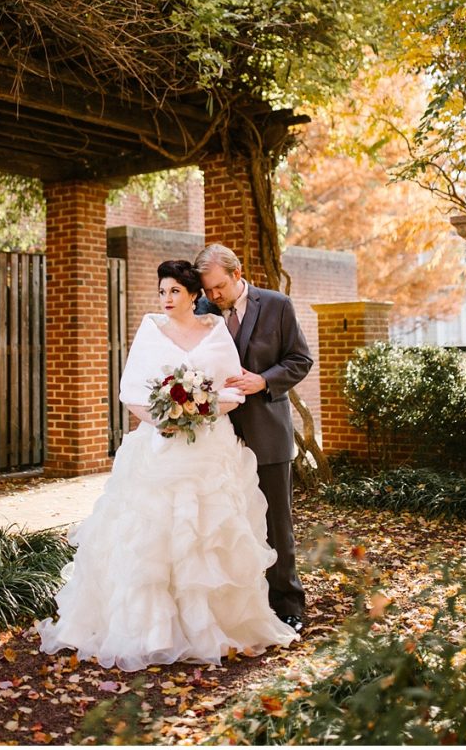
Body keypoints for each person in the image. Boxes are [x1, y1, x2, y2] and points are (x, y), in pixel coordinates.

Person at [37, 259, 298, 671]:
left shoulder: (214, 330)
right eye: (162, 292)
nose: (166, 299)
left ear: (194, 295)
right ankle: (152, 628)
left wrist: (200, 411)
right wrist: (168, 418)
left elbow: (232, 392)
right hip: (159, 447)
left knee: (209, 534)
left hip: (209, 446)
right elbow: (130, 392)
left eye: (175, 291)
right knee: (150, 538)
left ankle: (220, 621)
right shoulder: (150, 330)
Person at [194, 244, 313, 631]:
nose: (214, 297)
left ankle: (289, 604)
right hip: (220, 439)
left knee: (277, 523)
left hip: (267, 435)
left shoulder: (278, 305)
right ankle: (243, 605)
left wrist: (263, 380)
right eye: (208, 290)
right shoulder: (203, 313)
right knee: (228, 523)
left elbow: (300, 359)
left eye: (219, 287)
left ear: (237, 272)